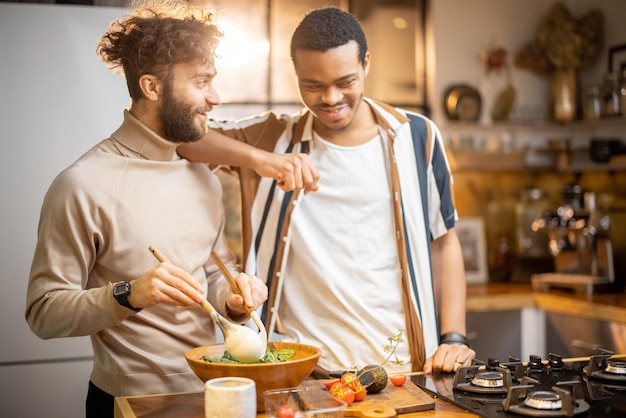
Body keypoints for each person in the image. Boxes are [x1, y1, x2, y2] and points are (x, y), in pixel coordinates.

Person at [24, 2, 317, 417]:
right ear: (152, 87)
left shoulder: (203, 177)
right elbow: (43, 312)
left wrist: (234, 295)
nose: (215, 98)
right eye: (201, 82)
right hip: (130, 404)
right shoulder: (81, 184)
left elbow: (214, 271)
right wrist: (130, 294)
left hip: (216, 393)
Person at [178, 6, 475, 375]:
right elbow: (183, 139)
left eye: (345, 81)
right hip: (300, 368)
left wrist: (454, 338)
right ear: (297, 75)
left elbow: (444, 242)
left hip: (404, 367)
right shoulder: (273, 137)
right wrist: (261, 160)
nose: (331, 99)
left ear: (366, 63)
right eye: (313, 86)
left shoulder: (417, 135)